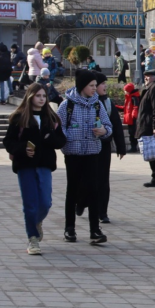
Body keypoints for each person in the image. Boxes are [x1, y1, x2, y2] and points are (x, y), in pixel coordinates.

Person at [3, 83, 66, 255]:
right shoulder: (19, 117)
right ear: (30, 97)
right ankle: (33, 238)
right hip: (25, 165)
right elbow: (8, 142)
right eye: (38, 96)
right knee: (30, 204)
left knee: (45, 203)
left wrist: (50, 137)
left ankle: (36, 222)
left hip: (44, 164)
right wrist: (23, 148)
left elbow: (61, 141)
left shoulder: (51, 118)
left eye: (44, 96)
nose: (41, 99)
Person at [56, 70, 111, 245]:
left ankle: (95, 230)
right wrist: (67, 139)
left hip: (93, 153)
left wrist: (104, 131)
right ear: (82, 86)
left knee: (93, 191)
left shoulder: (97, 105)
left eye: (96, 85)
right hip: (73, 154)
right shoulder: (67, 105)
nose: (95, 89)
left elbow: (108, 125)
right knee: (72, 191)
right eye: (92, 86)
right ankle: (69, 228)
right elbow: (59, 127)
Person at [88, 72, 125, 224]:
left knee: (103, 180)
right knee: (87, 179)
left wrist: (121, 147)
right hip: (87, 147)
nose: (105, 87)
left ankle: (102, 212)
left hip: (104, 147)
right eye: (102, 84)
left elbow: (116, 125)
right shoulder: (85, 102)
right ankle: (81, 202)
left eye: (104, 84)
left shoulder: (108, 103)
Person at [122, 83, 141, 152]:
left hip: (133, 119)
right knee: (131, 133)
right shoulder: (130, 97)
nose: (124, 92)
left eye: (125, 90)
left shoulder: (133, 97)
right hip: (130, 118)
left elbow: (136, 107)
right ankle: (133, 146)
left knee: (133, 133)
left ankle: (134, 147)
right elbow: (126, 108)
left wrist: (134, 115)